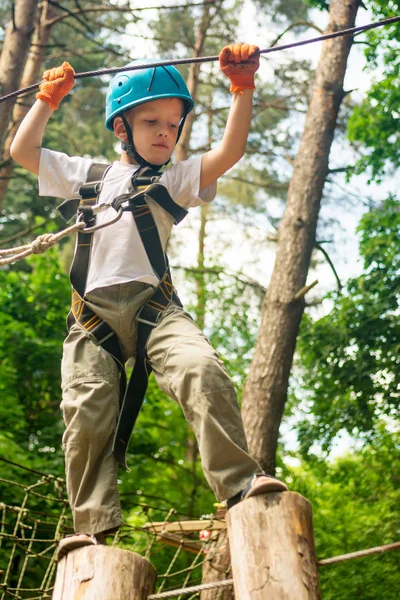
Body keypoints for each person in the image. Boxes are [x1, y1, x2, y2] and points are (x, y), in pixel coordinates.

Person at [10, 44, 287, 560]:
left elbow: (230, 151)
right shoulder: (88, 175)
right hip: (92, 319)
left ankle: (240, 484)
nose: (166, 132)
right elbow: (23, 153)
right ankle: (94, 527)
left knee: (201, 370)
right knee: (86, 415)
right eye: (152, 122)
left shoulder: (175, 180)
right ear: (122, 129)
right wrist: (47, 99)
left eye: (174, 123)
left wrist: (242, 88)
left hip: (155, 309)